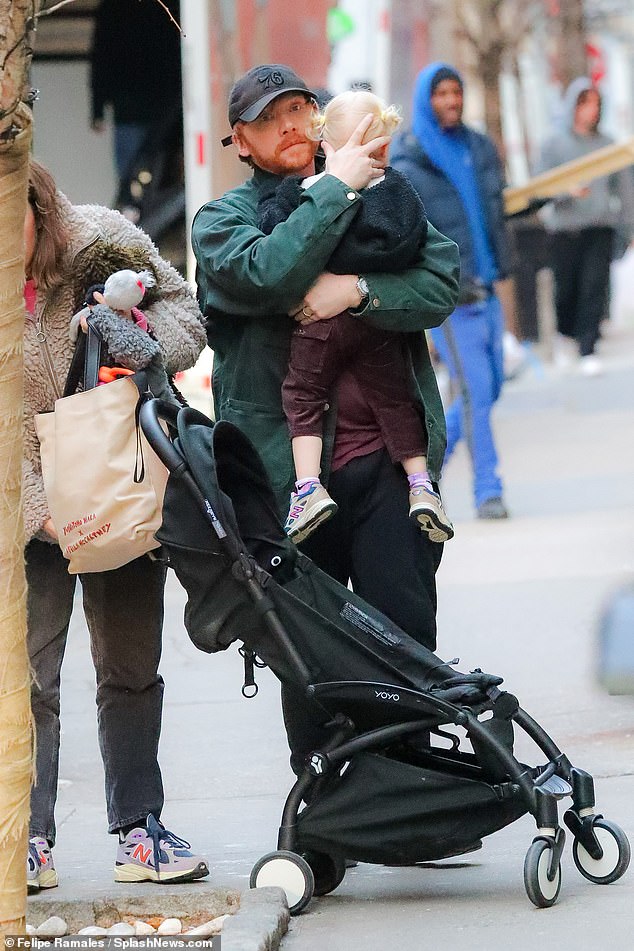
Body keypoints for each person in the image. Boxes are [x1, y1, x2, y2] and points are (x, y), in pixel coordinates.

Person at [191, 64, 460, 769]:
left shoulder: (385, 195)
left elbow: (439, 280)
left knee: (405, 634)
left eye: (300, 108)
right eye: (268, 117)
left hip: (387, 468)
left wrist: (358, 288)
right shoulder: (224, 221)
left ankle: (408, 797)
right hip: (289, 480)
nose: (290, 124)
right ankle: (327, 811)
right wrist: (336, 187)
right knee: (310, 654)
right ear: (241, 142)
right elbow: (266, 273)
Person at [23, 158, 208, 890]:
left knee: (130, 670)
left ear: (37, 202)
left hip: (118, 492)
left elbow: (187, 320)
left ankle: (140, 828)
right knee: (26, 679)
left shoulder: (105, 240)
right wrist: (44, 511)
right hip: (28, 507)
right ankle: (26, 838)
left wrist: (123, 328)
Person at [257, 89, 454, 545]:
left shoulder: (304, 193)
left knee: (302, 395)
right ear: (383, 147)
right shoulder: (396, 192)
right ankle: (421, 485)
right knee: (396, 397)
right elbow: (401, 242)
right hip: (376, 330)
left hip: (320, 326)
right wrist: (370, 277)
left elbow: (276, 242)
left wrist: (344, 284)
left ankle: (307, 488)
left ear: (324, 145)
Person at [392, 63, 514, 521]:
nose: (451, 101)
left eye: (456, 92)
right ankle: (489, 491)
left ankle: (428, 469)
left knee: (491, 388)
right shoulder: (411, 161)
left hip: (486, 290)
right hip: (450, 302)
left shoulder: (478, 147)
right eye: (441, 93)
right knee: (477, 391)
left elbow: (496, 209)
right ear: (427, 99)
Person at [537, 78, 634, 376]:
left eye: (595, 103)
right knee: (566, 289)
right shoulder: (554, 144)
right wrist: (567, 191)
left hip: (599, 226)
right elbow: (540, 187)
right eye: (584, 103)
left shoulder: (607, 146)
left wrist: (627, 225)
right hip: (565, 229)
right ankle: (566, 335)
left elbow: (624, 189)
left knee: (595, 287)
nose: (590, 110)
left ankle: (588, 346)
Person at [89, 0, 182, 208]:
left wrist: (97, 109)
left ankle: (135, 221)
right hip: (163, 106)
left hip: (129, 108)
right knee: (162, 176)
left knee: (130, 182)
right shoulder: (162, 6)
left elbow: (101, 57)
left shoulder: (112, 8)